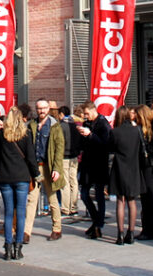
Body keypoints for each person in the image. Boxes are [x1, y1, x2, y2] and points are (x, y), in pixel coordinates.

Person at [0, 106, 39, 260]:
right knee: (21, 212)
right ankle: (18, 248)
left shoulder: (1, 135)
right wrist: (36, 175)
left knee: (9, 213)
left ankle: (7, 246)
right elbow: (31, 158)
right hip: (22, 177)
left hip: (5, 177)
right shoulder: (26, 135)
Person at [25, 99, 66, 242]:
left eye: (44, 108)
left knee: (52, 198)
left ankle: (57, 228)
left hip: (48, 167)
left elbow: (59, 148)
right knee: (31, 200)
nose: (41, 111)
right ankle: (26, 231)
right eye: (39, 108)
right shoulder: (31, 125)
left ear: (48, 109)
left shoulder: (55, 126)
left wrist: (57, 168)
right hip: (35, 167)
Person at [108, 105, 145, 245]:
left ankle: (120, 234)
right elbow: (141, 149)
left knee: (120, 201)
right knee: (132, 201)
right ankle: (131, 232)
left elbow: (110, 148)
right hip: (133, 167)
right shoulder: (137, 131)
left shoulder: (115, 132)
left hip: (119, 167)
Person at [77, 102, 111, 239]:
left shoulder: (103, 124)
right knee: (84, 194)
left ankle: (98, 225)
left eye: (87, 114)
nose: (85, 117)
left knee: (99, 195)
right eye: (84, 114)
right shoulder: (86, 124)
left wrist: (90, 135)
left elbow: (106, 144)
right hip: (87, 164)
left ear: (93, 110)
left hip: (99, 164)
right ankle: (97, 221)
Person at [134, 103, 153, 241]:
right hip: (149, 165)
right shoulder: (152, 127)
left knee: (148, 198)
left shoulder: (147, 129)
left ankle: (149, 230)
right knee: (147, 199)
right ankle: (149, 229)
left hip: (147, 166)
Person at [59, 105, 81, 218]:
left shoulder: (61, 126)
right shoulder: (75, 126)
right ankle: (74, 207)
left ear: (61, 114)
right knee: (74, 182)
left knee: (65, 183)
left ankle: (65, 208)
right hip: (74, 157)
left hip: (64, 157)